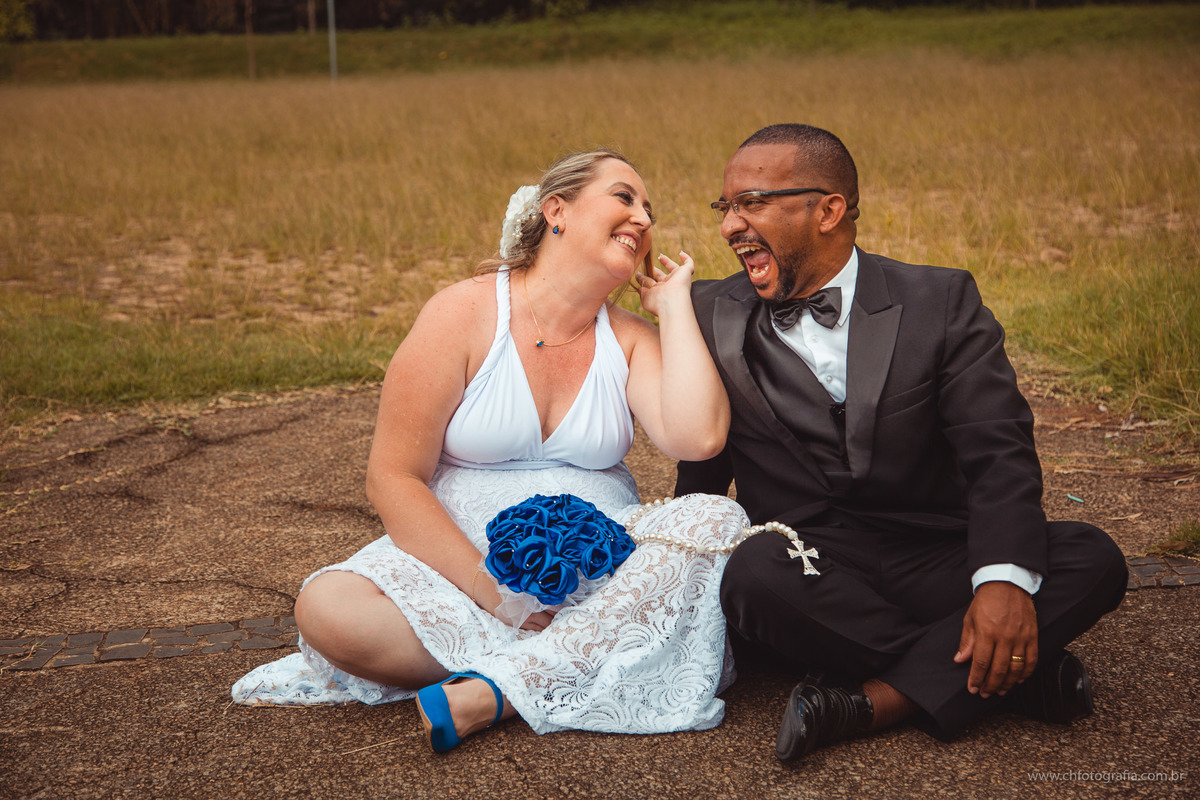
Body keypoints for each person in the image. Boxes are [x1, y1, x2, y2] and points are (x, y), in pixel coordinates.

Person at [232, 149, 753, 751]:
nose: (641, 217)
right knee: (328, 608)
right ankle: (599, 653)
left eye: (648, 209)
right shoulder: (464, 312)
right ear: (556, 210)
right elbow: (394, 477)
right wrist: (496, 596)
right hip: (460, 560)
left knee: (715, 518)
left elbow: (699, 437)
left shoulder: (631, 338)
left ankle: (499, 689)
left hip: (599, 562)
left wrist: (675, 308)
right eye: (623, 197)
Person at [676, 124, 1128, 761]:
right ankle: (1013, 680)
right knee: (748, 576)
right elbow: (700, 460)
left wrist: (1000, 583)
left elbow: (996, 447)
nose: (730, 227)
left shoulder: (940, 301)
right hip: (807, 566)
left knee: (1093, 557)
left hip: (937, 552)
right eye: (726, 208)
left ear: (829, 210)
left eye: (752, 203)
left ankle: (872, 702)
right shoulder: (705, 311)